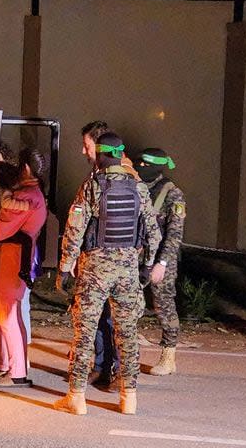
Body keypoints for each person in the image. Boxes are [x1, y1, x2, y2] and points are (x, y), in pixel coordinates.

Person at [54, 132, 160, 415]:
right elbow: (153, 232)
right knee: (127, 334)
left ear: (101, 155)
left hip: (95, 271)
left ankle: (76, 397)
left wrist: (64, 268)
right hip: (127, 270)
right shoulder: (138, 188)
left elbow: (75, 230)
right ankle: (129, 398)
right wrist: (148, 266)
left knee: (85, 334)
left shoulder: (92, 186)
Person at [79, 120, 140, 388]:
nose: (84, 151)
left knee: (119, 319)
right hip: (98, 259)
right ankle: (102, 366)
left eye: (87, 145)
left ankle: (117, 372)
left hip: (115, 260)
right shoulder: (98, 173)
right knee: (101, 317)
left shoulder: (125, 175)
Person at [0, 148, 47, 387]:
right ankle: (10, 365)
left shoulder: (24, 198)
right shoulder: (33, 194)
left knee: (7, 315)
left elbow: (1, 228)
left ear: (26, 168)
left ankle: (16, 372)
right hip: (14, 258)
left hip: (12, 258)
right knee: (9, 315)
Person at [135, 148, 187, 376]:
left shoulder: (172, 194)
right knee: (128, 302)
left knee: (163, 305)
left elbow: (175, 234)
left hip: (161, 259)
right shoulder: (138, 187)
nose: (141, 168)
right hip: (138, 256)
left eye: (146, 165)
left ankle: (168, 356)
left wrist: (162, 264)